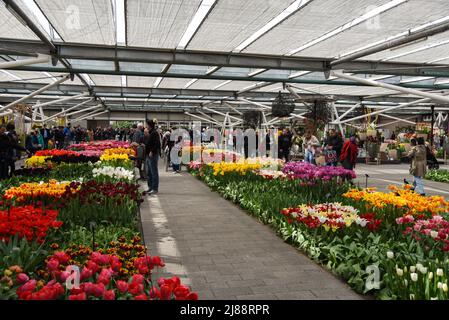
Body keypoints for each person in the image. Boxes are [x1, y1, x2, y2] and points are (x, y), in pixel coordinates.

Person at [144, 120, 161, 195]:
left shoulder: (154, 133)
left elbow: (157, 144)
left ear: (149, 125)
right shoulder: (150, 133)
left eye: (146, 125)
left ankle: (154, 188)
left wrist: (152, 151)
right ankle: (150, 187)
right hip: (148, 154)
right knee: (149, 172)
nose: (146, 126)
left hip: (152, 155)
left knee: (153, 172)